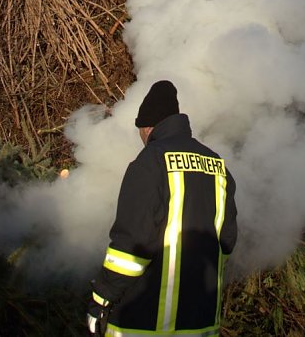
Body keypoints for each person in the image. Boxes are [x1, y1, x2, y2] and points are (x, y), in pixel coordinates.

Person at [87, 80, 237, 337]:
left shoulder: (150, 162)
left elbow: (131, 246)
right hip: (202, 321)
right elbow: (226, 242)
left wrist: (101, 299)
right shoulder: (217, 165)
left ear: (148, 127)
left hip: (145, 323)